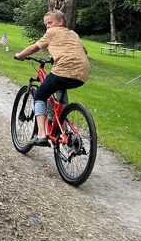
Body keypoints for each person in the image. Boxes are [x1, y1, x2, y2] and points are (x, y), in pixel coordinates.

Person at [14, 10, 90, 146]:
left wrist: (20, 55)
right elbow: (84, 51)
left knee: (40, 95)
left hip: (63, 70)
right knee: (60, 89)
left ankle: (41, 135)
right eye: (46, 24)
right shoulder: (72, 34)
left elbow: (34, 48)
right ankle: (64, 130)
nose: (47, 26)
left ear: (60, 22)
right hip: (82, 73)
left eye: (50, 22)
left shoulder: (52, 33)